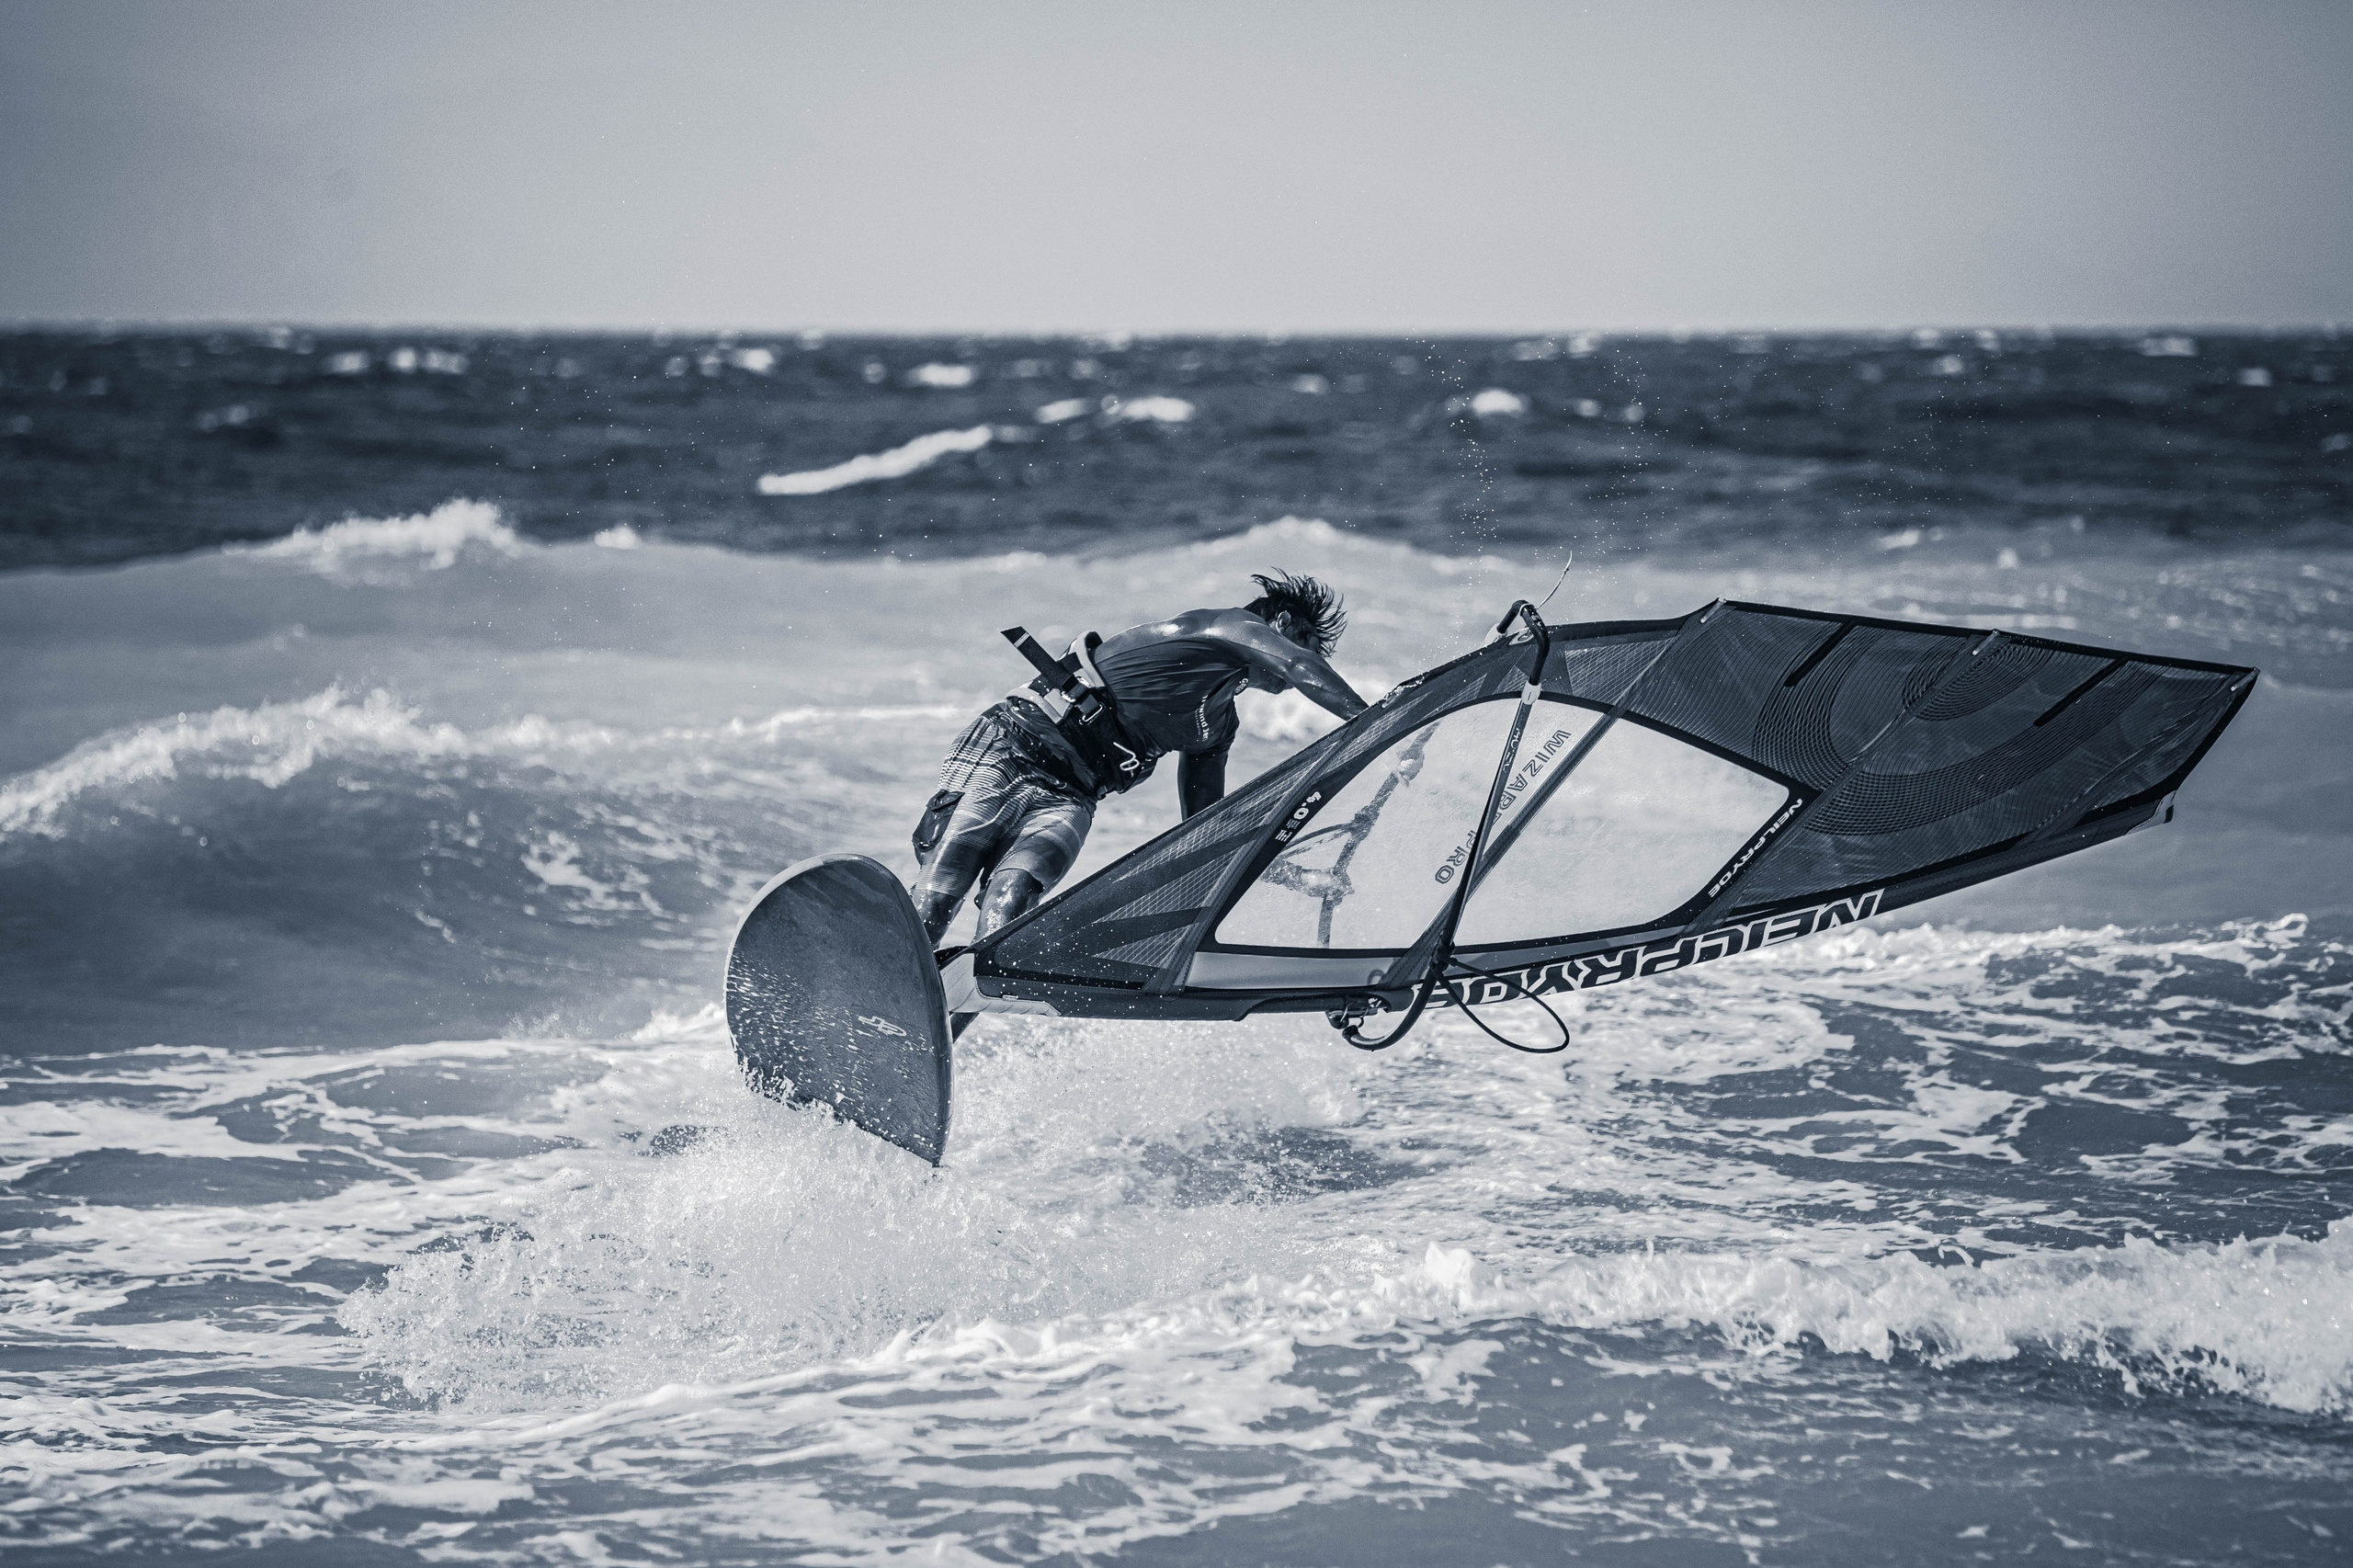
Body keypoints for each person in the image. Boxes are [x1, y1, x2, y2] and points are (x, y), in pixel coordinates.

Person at [911, 571, 1370, 945]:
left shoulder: (1217, 726)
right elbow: (1297, 665)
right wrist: (1379, 723)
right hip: (1011, 749)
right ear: (1284, 624)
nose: (1302, 663)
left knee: (1008, 912)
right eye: (1308, 642)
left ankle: (942, 1019)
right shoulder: (1222, 626)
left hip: (1071, 797)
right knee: (940, 895)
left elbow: (1206, 829)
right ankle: (883, 979)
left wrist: (1292, 875)